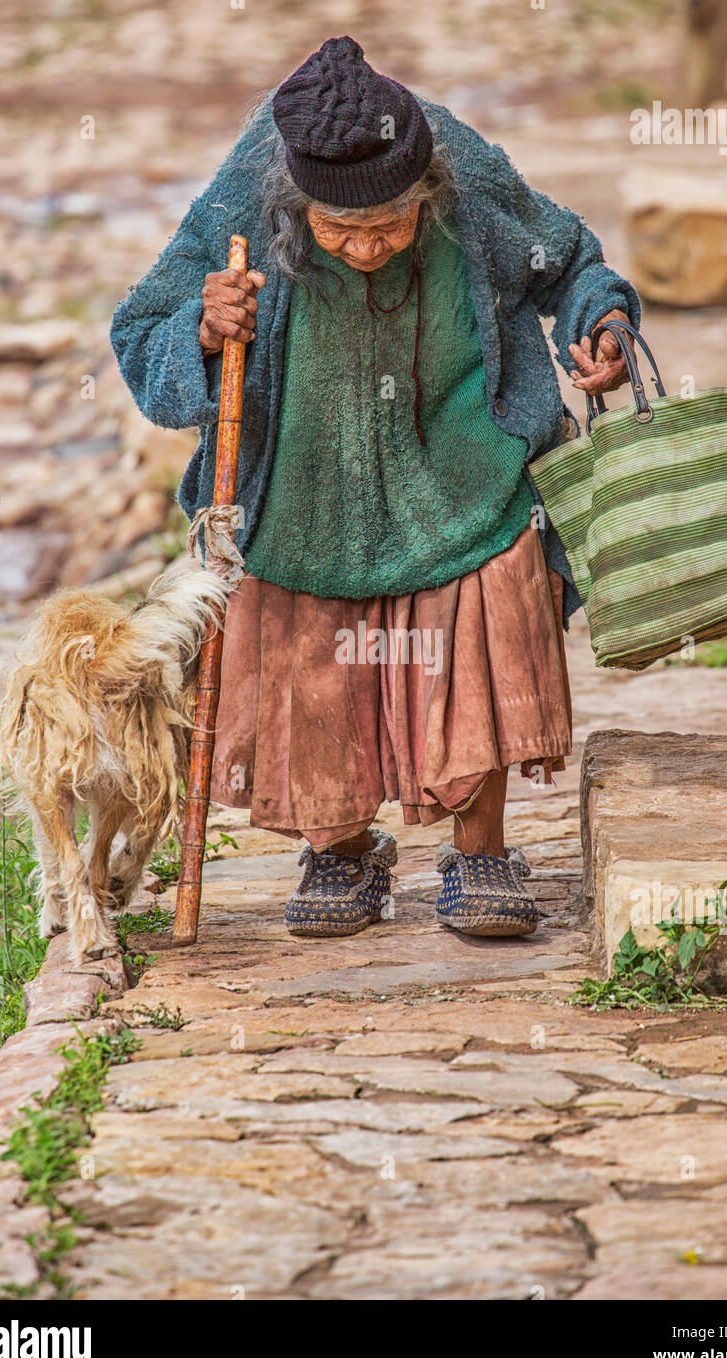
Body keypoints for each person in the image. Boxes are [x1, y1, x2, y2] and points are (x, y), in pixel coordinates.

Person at [111, 36, 638, 940]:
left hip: (460, 467)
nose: (363, 247)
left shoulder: (460, 167)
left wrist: (604, 321)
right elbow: (140, 327)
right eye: (337, 229)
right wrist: (202, 326)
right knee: (315, 665)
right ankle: (341, 849)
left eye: (388, 227)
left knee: (482, 632)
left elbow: (573, 259)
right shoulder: (250, 184)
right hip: (304, 494)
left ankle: (481, 851)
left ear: (426, 193)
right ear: (294, 205)